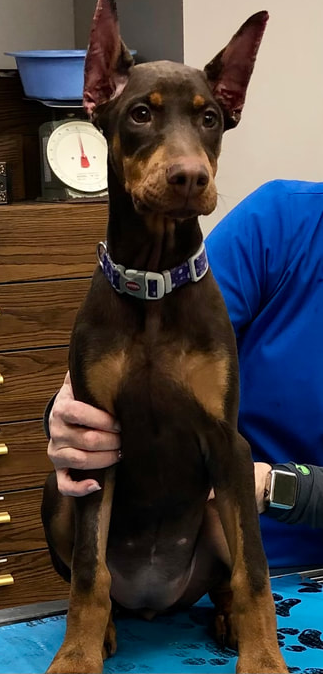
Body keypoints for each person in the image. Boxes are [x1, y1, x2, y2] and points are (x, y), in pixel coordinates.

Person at [44, 179, 323, 570]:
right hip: (201, 555)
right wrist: (70, 420)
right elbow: (143, 347)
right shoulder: (283, 222)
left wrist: (275, 487)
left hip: (272, 562)